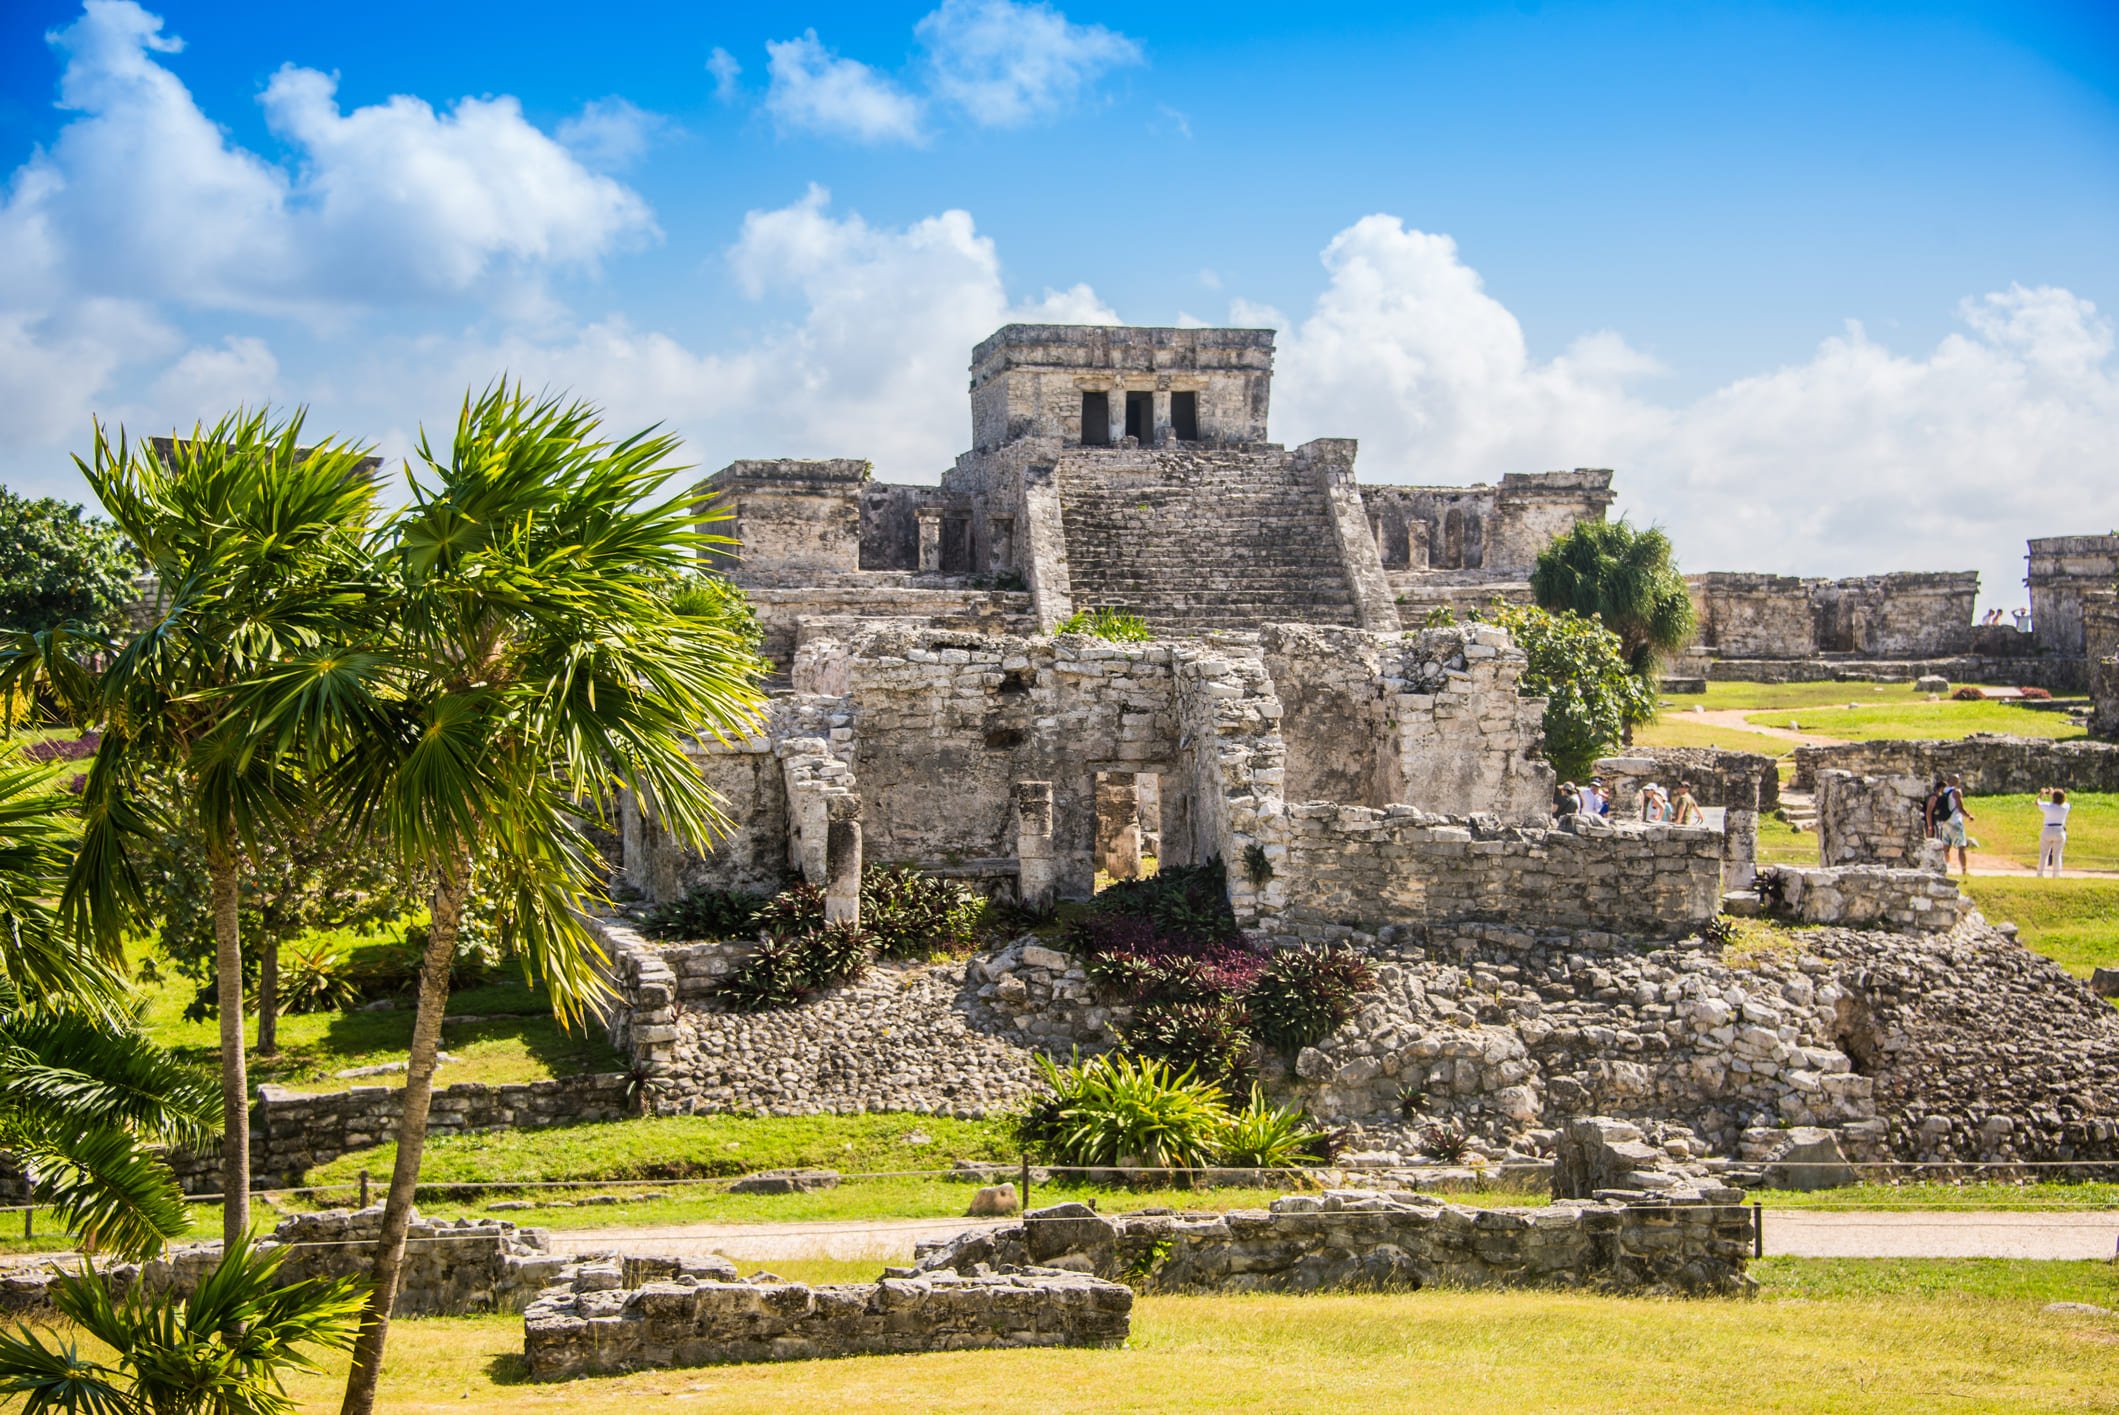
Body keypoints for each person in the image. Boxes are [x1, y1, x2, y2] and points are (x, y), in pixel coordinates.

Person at [1935, 773, 1975, 877]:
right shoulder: (1956, 792)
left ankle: (1945, 868)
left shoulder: (1943, 791)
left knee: (1945, 848)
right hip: (1955, 822)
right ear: (1957, 782)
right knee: (1961, 847)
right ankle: (1964, 870)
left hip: (1945, 822)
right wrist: (1969, 816)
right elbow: (1960, 808)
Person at [2037, 787, 2071, 877]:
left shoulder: (2048, 806)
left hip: (2047, 830)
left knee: (2044, 853)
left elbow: (2037, 803)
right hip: (2059, 830)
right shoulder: (2066, 807)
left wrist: (2041, 794)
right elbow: (2060, 800)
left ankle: (2040, 873)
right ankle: (2056, 874)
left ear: (2053, 797)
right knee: (2057, 854)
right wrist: (2054, 794)